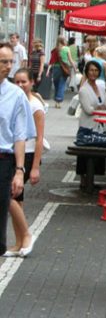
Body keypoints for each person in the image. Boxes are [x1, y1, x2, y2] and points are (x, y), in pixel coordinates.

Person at [3, 68, 46, 257]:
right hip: (13, 154)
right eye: (17, 82)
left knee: (9, 196)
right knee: (15, 199)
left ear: (32, 83)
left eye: (24, 82)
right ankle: (19, 242)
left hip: (26, 156)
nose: (20, 85)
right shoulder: (14, 98)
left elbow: (39, 138)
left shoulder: (35, 105)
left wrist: (35, 167)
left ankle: (26, 236)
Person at [0, 42, 36, 256]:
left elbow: (20, 136)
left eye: (11, 62)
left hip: (3, 159)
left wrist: (20, 171)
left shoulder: (16, 95)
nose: (8, 66)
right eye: (4, 61)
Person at [76, 61, 106, 189]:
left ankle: (92, 179)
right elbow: (88, 110)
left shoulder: (101, 87)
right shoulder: (83, 90)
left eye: (96, 70)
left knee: (96, 156)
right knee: (86, 156)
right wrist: (99, 107)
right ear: (86, 72)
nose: (93, 73)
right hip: (87, 126)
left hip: (100, 125)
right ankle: (84, 180)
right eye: (91, 70)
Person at [46, 36, 74, 109]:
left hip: (55, 68)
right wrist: (74, 67)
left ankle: (56, 100)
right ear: (63, 41)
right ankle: (59, 100)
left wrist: (48, 70)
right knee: (62, 85)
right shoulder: (67, 49)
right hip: (63, 68)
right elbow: (70, 60)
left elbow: (51, 61)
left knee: (56, 85)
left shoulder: (55, 50)